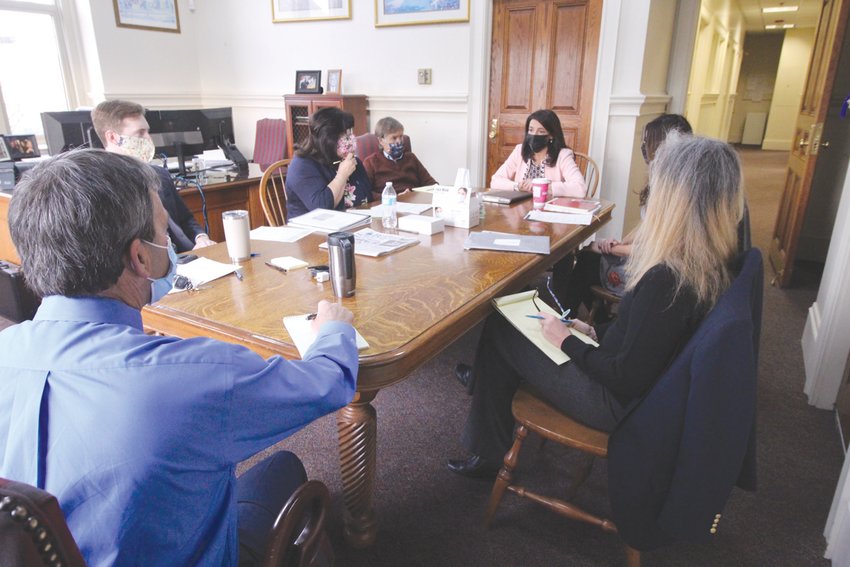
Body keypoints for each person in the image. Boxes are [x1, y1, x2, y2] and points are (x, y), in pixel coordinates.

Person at [0, 149, 359, 565]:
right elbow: (328, 383)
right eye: (163, 234)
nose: (169, 244)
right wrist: (333, 328)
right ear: (140, 257)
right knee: (283, 466)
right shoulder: (195, 375)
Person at [447, 134, 745, 478]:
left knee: (502, 326)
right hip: (634, 388)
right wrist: (592, 330)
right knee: (517, 324)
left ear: (675, 202)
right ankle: (489, 407)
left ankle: (488, 450)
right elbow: (644, 338)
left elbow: (625, 377)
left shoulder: (667, 280)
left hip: (612, 403)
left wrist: (566, 341)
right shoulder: (706, 263)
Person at [559, 114, 694, 316]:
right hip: (649, 256)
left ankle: (572, 316)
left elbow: (662, 249)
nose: (643, 148)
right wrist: (620, 243)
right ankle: (585, 317)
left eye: (646, 142)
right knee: (590, 252)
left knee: (587, 260)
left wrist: (616, 250)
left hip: (656, 269)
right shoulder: (671, 182)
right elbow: (646, 226)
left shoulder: (676, 194)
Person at [91, 99, 215, 253]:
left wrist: (200, 238)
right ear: (112, 137)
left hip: (188, 258)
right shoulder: (100, 188)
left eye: (147, 131)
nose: (149, 139)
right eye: (140, 133)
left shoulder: (159, 174)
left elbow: (185, 219)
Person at [286, 107, 373, 218]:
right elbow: (322, 209)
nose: (350, 139)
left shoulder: (351, 162)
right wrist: (342, 175)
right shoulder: (301, 165)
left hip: (350, 225)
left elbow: (367, 199)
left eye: (349, 133)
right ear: (327, 138)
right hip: (310, 230)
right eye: (343, 135)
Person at [490, 109, 586, 198]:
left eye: (541, 131)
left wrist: (542, 186)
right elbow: (495, 181)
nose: (534, 135)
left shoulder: (563, 155)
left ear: (551, 135)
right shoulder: (519, 150)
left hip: (548, 210)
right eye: (531, 130)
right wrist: (517, 186)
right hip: (519, 208)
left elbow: (580, 188)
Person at [363, 116, 438, 200]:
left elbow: (431, 183)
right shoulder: (371, 162)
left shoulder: (411, 158)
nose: (399, 141)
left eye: (401, 136)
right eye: (394, 138)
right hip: (388, 205)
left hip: (414, 201)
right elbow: (365, 193)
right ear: (381, 141)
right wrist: (393, 197)